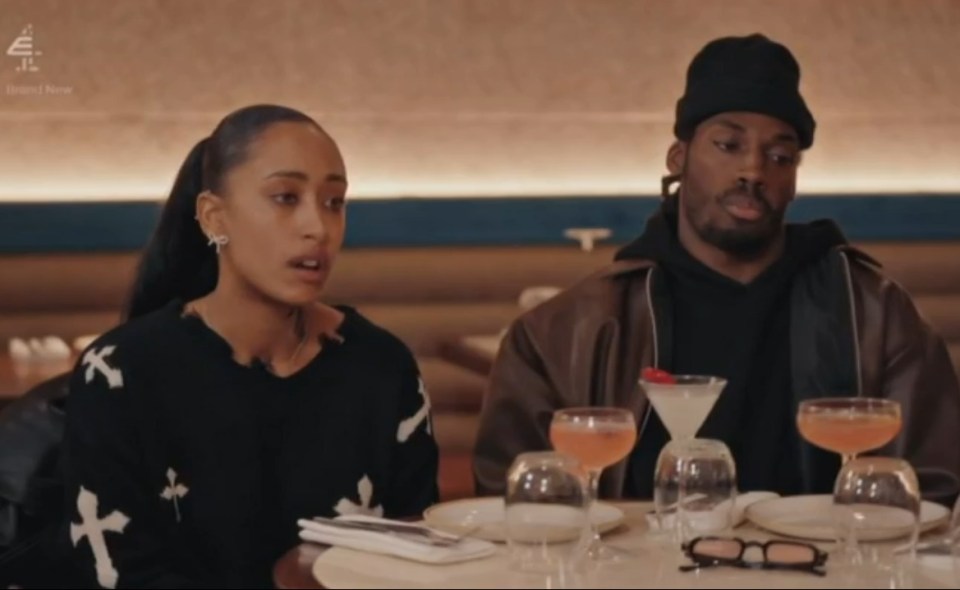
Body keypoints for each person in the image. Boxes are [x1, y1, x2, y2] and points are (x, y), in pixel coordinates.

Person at [474, 34, 960, 502]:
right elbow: (514, 496)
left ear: (793, 179)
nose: (754, 170)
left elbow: (932, 486)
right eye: (728, 145)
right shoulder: (566, 328)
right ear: (679, 157)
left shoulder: (873, 312)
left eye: (779, 156)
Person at [59, 105, 438, 588]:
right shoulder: (122, 373)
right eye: (285, 197)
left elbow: (418, 550)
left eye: (334, 202)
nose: (318, 228)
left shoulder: (382, 367)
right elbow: (115, 573)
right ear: (214, 216)